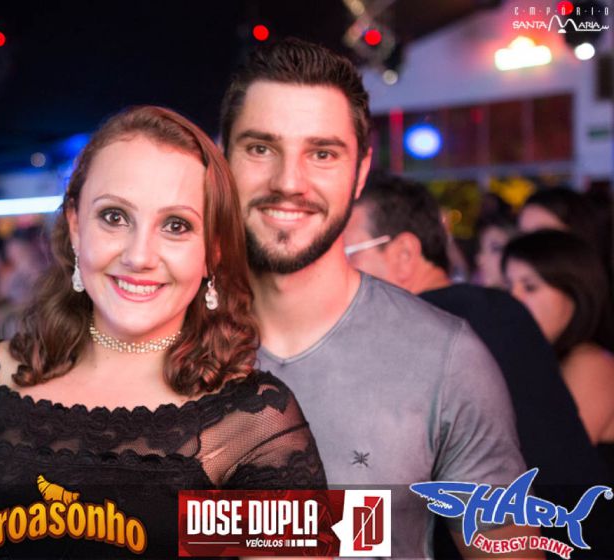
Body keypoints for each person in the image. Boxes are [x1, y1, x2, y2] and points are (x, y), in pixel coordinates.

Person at [0, 106, 325, 558]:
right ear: (75, 226)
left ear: (212, 251)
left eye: (176, 226)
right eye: (114, 217)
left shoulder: (255, 421)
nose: (139, 256)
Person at [220, 38, 529, 558]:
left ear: (361, 171)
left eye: (322, 153)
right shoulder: (160, 341)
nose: (288, 181)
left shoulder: (445, 358)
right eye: (260, 148)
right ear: (222, 159)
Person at [343, 174, 612, 556]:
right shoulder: (496, 310)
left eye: (347, 252)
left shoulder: (419, 330)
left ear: (404, 253)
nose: (335, 272)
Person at [503, 230, 614, 465]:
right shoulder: (539, 358)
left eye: (530, 287)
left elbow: (554, 456)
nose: (514, 298)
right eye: (509, 286)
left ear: (573, 293)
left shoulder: (591, 362)